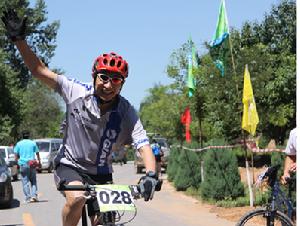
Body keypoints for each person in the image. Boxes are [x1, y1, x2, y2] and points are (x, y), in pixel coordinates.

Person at [2, 9, 158, 226]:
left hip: (102, 172)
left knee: (106, 220)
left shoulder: (126, 110)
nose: (108, 85)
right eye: (104, 77)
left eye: (116, 80)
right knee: (77, 199)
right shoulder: (76, 91)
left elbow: (143, 145)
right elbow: (40, 71)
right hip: (70, 165)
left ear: (122, 84)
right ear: (94, 76)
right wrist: (19, 41)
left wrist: (151, 174)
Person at [14, 130, 41, 203]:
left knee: (25, 182)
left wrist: (17, 163)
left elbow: (16, 155)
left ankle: (27, 197)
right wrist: (39, 162)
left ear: (22, 136)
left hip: (23, 164)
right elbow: (37, 153)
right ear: (28, 135)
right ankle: (34, 196)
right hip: (32, 164)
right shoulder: (33, 143)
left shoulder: (19, 144)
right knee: (33, 181)